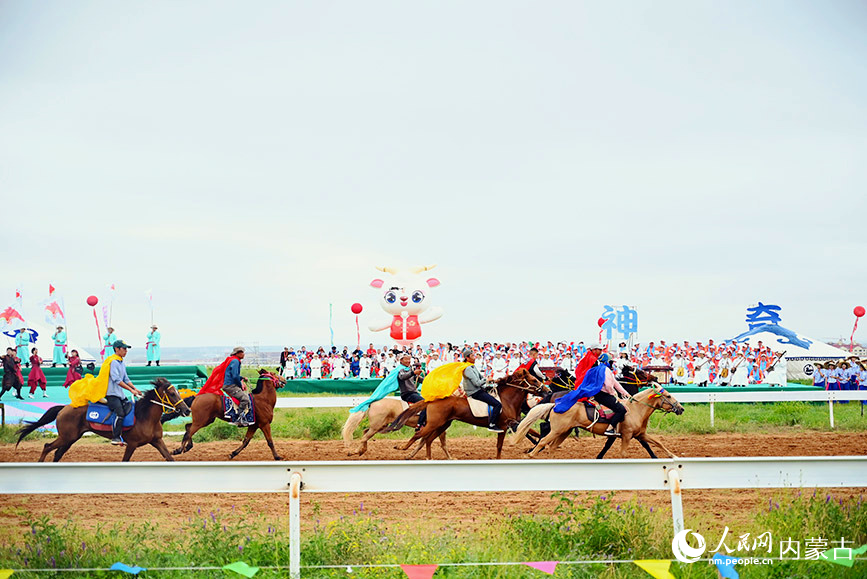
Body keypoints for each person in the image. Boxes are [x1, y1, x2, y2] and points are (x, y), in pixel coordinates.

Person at [105, 340, 143, 445]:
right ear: (117, 349)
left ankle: (127, 435)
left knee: (130, 409)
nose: (126, 351)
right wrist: (130, 390)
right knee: (120, 413)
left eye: (126, 349)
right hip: (111, 394)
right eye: (124, 349)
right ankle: (115, 437)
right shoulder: (113, 362)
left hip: (119, 394)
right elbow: (116, 379)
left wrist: (135, 389)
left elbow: (126, 379)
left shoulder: (121, 362)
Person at [461, 349, 503, 432]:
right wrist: (487, 380)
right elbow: (477, 383)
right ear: (467, 358)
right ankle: (492, 424)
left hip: (478, 389)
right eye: (472, 356)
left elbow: (481, 378)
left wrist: (490, 379)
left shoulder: (472, 366)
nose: (475, 358)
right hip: (475, 392)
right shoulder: (468, 369)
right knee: (497, 404)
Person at [592, 354, 631, 437]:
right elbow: (609, 385)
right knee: (622, 410)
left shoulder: (599, 369)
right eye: (611, 362)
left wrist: (626, 393)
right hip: (603, 395)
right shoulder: (606, 370)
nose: (612, 364)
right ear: (607, 362)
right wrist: (613, 394)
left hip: (599, 394)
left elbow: (616, 383)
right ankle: (610, 429)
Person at [223, 346, 253, 426]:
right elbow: (235, 376)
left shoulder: (234, 360)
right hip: (230, 386)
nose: (243, 354)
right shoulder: (236, 361)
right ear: (238, 354)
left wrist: (242, 378)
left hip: (229, 384)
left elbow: (235, 375)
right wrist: (240, 385)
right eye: (242, 353)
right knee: (245, 399)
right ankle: (239, 418)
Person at [396, 354, 426, 427]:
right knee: (425, 403)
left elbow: (419, 379)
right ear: (401, 360)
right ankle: (420, 424)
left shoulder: (409, 369)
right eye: (406, 359)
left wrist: (428, 380)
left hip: (413, 393)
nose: (408, 361)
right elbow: (402, 377)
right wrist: (413, 373)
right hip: (407, 394)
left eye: (409, 360)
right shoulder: (400, 369)